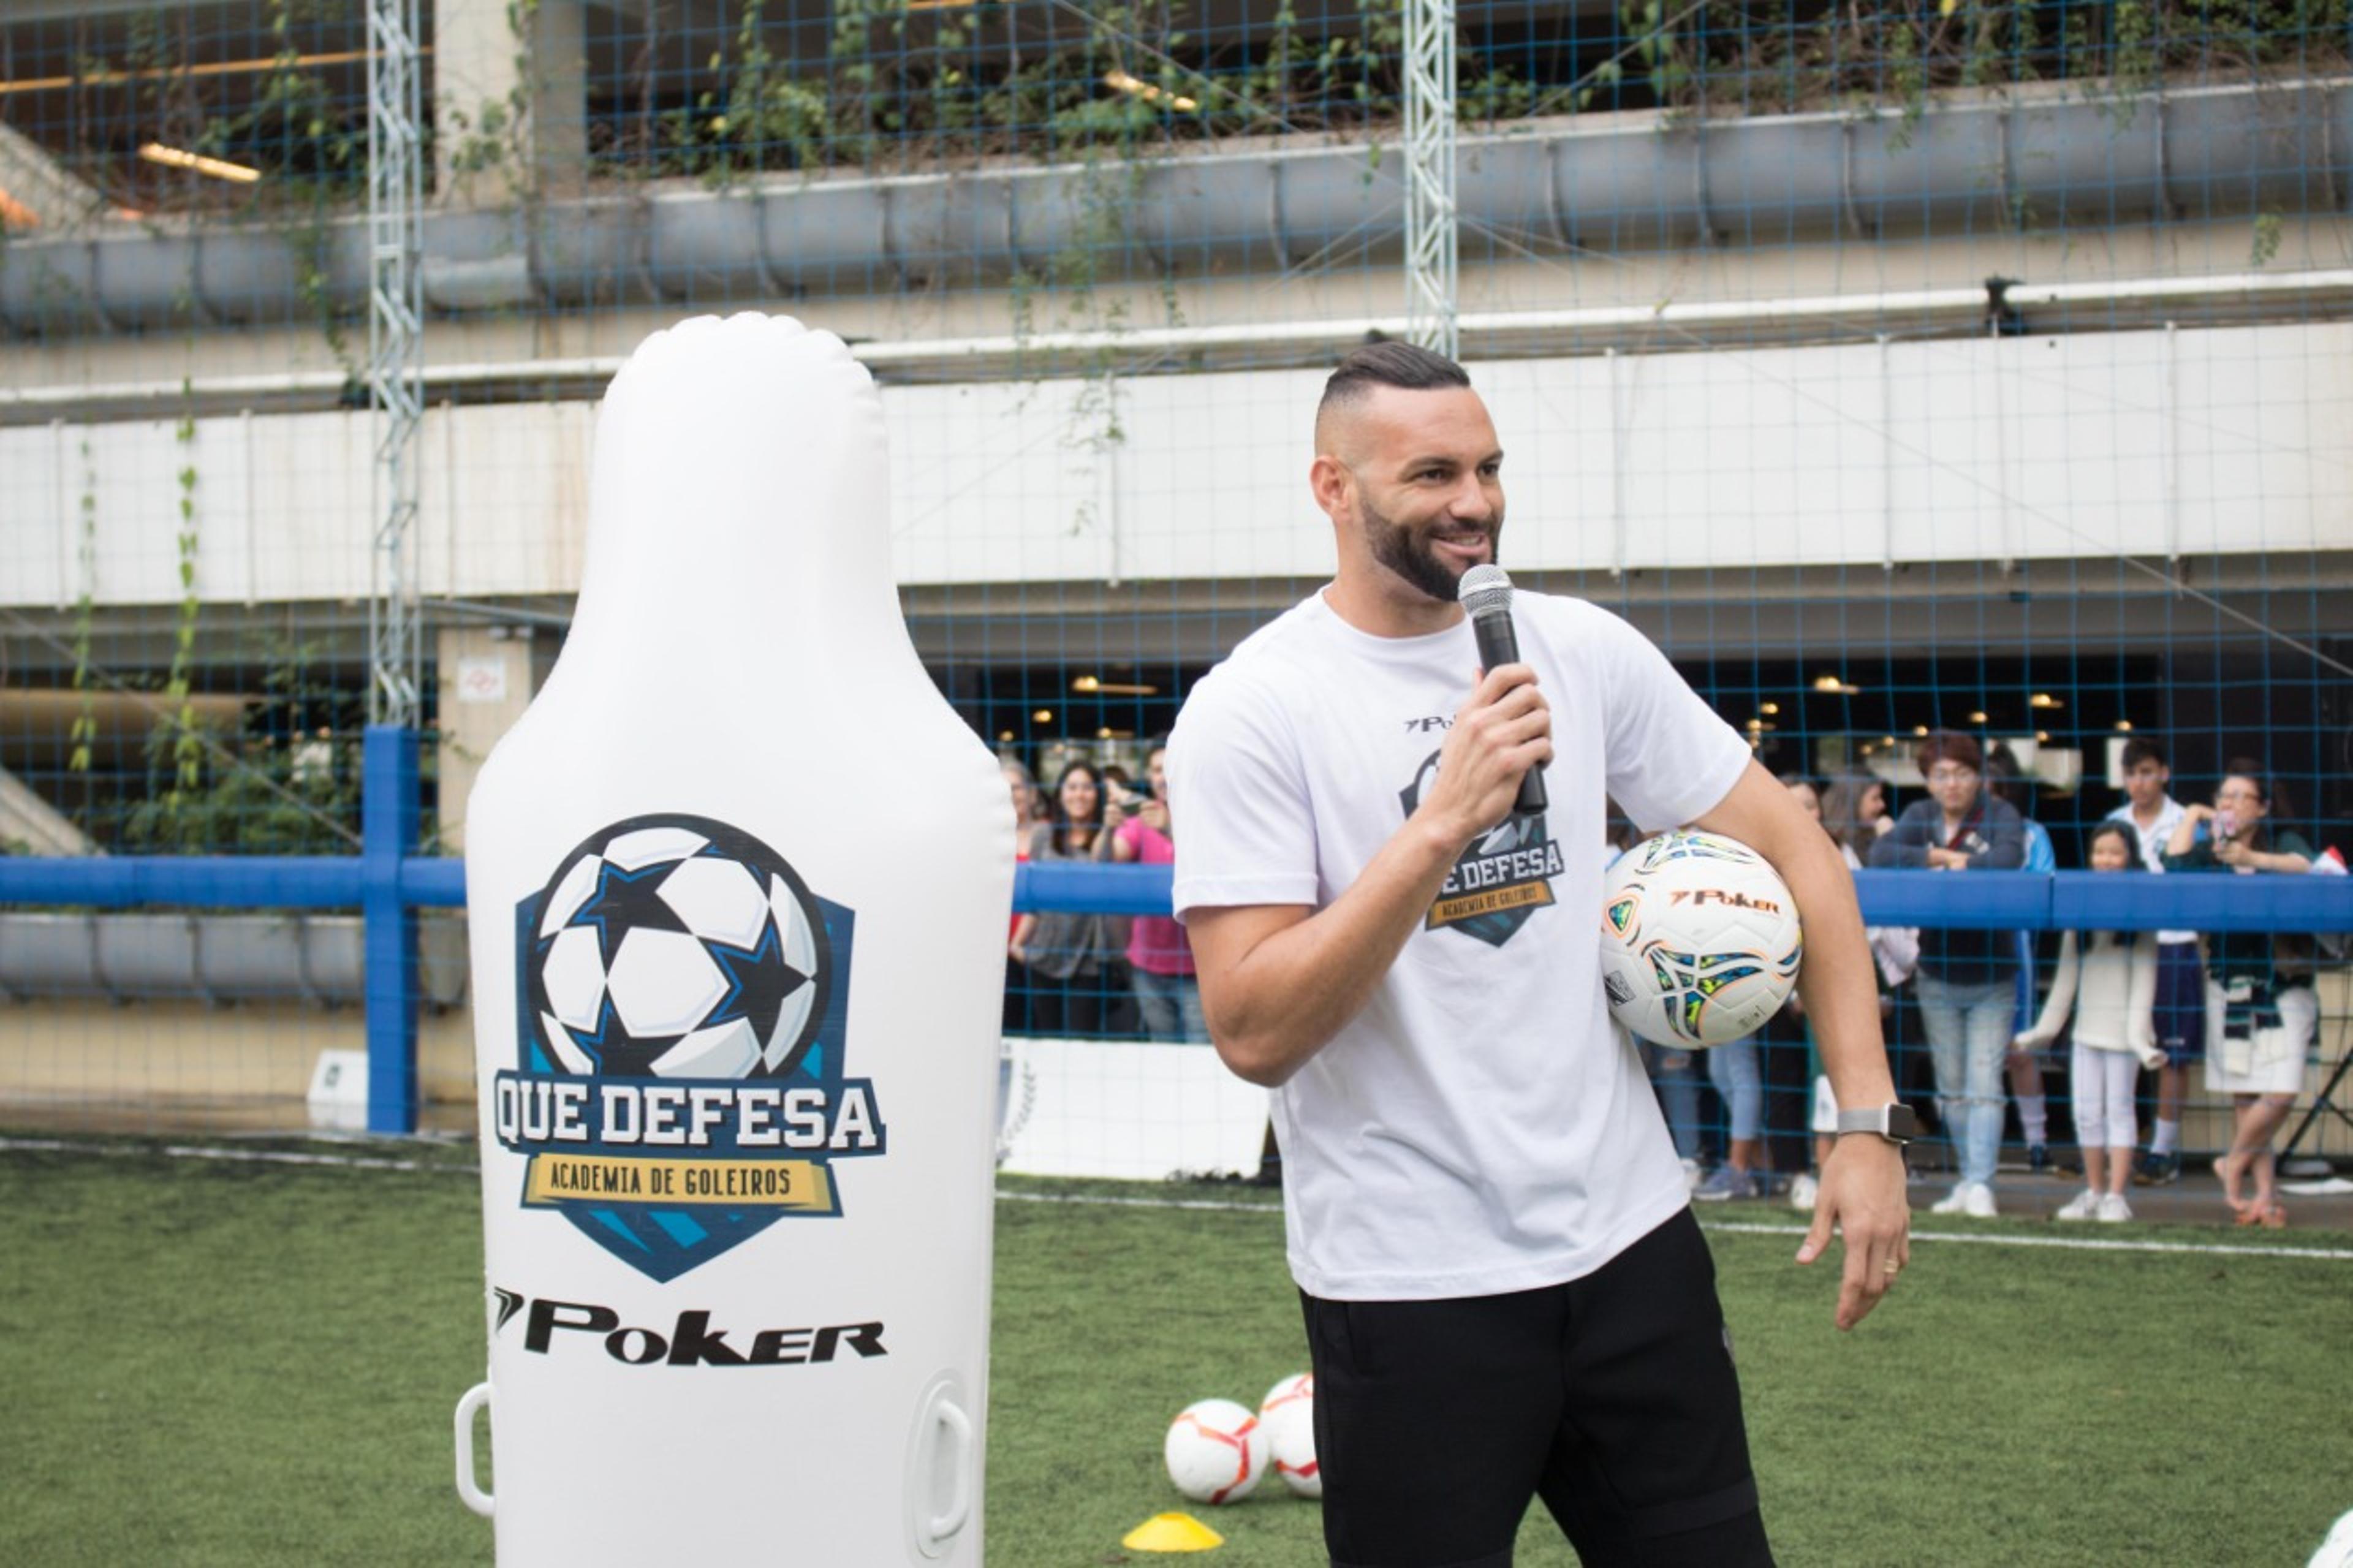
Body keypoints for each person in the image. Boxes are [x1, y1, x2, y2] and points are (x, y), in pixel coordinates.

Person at [1167, 341, 1909, 1567]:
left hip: (1631, 1253)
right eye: (1432, 474)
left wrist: (1867, 1124)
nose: (1475, 502)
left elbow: (1804, 854)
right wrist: (1443, 820)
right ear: (1332, 488)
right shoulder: (1255, 707)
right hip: (1406, 1289)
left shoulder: (1580, 648)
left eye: (1490, 467)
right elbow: (1253, 1029)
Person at [1870, 730, 2026, 1218]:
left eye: (1961, 772)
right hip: (1935, 971)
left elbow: (2007, 859)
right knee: (1951, 1085)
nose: (1952, 783)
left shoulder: (1999, 814)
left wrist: (1964, 863)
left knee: (1984, 1082)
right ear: (1928, 779)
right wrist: (1944, 858)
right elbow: (1881, 855)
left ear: (1977, 775)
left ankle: (1981, 1181)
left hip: (1993, 972)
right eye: (1941, 774)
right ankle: (1966, 1178)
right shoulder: (1921, 817)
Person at [2164, 768, 2316, 1227]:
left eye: (2241, 796)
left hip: (2283, 981)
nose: (2230, 803)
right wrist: (2194, 813)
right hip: (2229, 982)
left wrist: (2251, 856)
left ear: (2263, 805)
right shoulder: (2212, 852)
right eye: (2223, 795)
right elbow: (2172, 862)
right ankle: (2266, 1199)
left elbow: (2309, 867)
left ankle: (2232, 1161)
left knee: (2282, 1088)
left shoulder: (2282, 840)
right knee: (2246, 1092)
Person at [2012, 822, 2164, 1222]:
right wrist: (2038, 1034)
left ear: (2130, 857)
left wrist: (2141, 1042)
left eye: (2115, 853)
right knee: (2085, 1113)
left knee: (2120, 1111)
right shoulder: (2079, 917)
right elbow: (2064, 987)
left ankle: (2117, 1194)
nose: (2106, 861)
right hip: (2086, 1035)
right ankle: (2095, 1189)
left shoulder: (2142, 921)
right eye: (2100, 852)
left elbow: (2143, 987)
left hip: (2124, 1039)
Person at [2103, 738, 2200, 1184]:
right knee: (2121, 1041)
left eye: (2147, 771)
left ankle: (2163, 1148)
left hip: (2175, 943)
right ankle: (2116, 1144)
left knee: (2172, 1051)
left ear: (2164, 772)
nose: (2139, 782)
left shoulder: (2185, 821)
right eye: (2131, 773)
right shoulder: (2114, 823)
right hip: (2125, 945)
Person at [1007, 760, 1131, 1037]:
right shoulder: (1044, 835)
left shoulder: (1110, 836)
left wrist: (1111, 827)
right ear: (1061, 793)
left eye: (1087, 787)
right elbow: (1035, 901)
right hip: (1044, 956)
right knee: (1047, 1040)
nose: (1079, 794)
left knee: (1081, 1042)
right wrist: (1017, 945)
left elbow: (1107, 864)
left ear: (1098, 793)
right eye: (1072, 787)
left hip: (1089, 962)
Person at [1985, 743, 2057, 1173]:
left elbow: (2041, 891)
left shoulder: (2031, 833)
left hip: (2014, 948)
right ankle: (1980, 1149)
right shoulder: (1957, 829)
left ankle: (2036, 1141)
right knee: (1975, 1055)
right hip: (1968, 953)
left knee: (2020, 1049)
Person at [1110, 743, 1206, 1042]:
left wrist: (1170, 829)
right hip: (1148, 965)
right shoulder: (1139, 820)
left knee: (1201, 1053)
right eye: (1155, 770)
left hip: (1199, 966)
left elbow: (1217, 863)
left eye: (1168, 767)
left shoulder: (1206, 817)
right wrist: (1105, 828)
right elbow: (1112, 858)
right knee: (1162, 1051)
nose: (1162, 777)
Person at [1001, 757, 1044, 1034]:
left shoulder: (1049, 834)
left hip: (1035, 953)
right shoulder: (987, 838)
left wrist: (1019, 944)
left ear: (1031, 793)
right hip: (997, 952)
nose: (1010, 794)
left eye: (1016, 787)